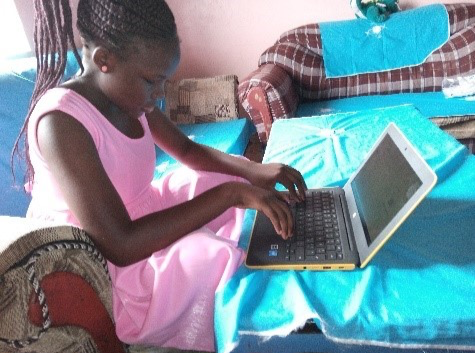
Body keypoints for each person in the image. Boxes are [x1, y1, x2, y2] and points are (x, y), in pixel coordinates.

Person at [13, 0, 307, 351]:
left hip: (138, 215)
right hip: (101, 257)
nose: (160, 95)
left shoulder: (130, 96)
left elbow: (188, 152)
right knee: (204, 255)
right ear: (105, 60)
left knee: (215, 183)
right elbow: (121, 245)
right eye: (153, 82)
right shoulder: (61, 124)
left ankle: (255, 242)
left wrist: (254, 172)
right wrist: (232, 195)